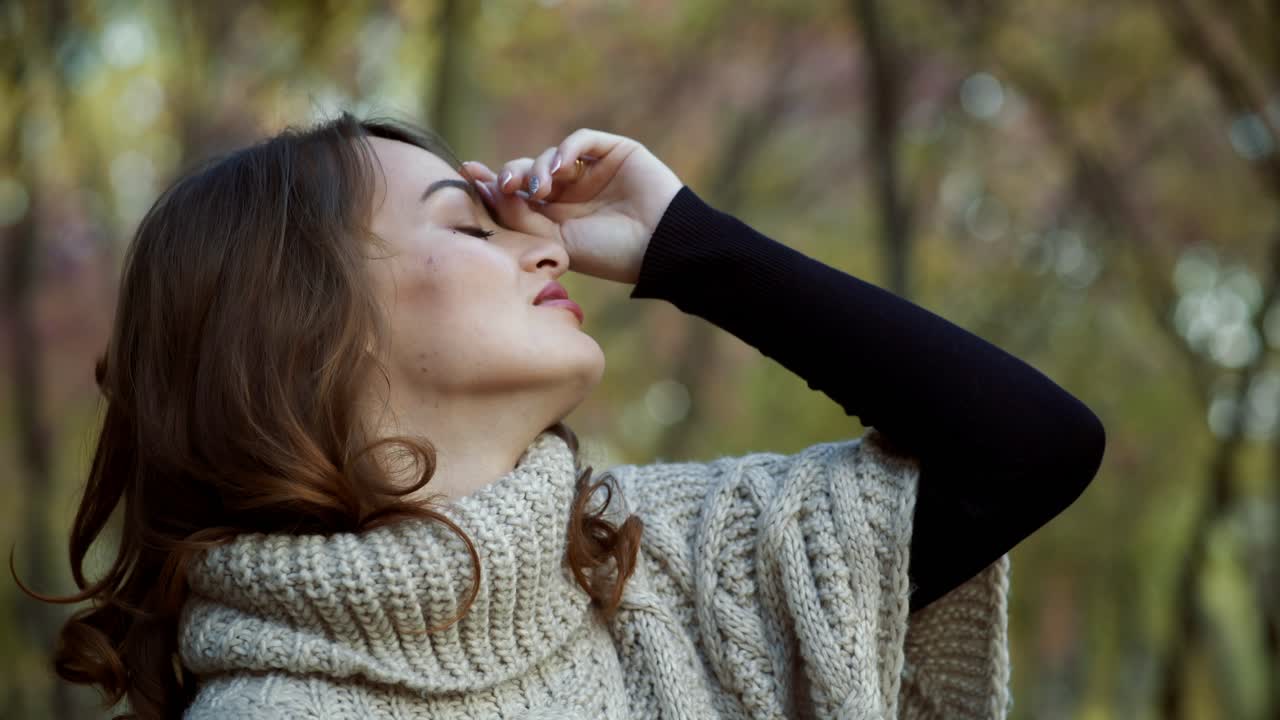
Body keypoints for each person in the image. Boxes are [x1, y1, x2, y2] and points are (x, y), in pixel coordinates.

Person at [20, 112, 1105, 719]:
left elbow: (1026, 447)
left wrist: (687, 243)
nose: (544, 240)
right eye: (471, 225)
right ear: (300, 325)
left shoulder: (670, 565)